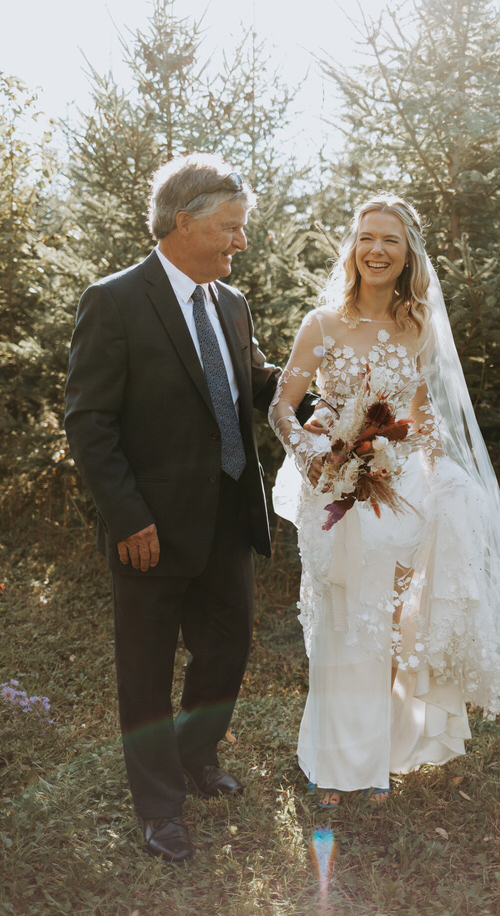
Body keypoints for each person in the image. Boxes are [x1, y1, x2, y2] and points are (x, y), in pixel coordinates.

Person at [64, 153, 318, 861]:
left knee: (227, 648)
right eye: (231, 229)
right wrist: (128, 516)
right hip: (150, 527)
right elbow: (90, 421)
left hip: (229, 520)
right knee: (144, 669)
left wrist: (337, 408)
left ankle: (195, 754)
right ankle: (158, 807)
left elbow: (257, 381)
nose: (242, 242)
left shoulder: (230, 304)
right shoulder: (113, 301)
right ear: (185, 223)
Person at [269, 193, 500, 808]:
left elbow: (421, 420)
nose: (376, 250)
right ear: (353, 247)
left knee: (384, 627)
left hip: (398, 491)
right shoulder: (321, 325)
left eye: (390, 241)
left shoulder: (421, 327)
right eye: (367, 237)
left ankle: (375, 763)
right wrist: (315, 454)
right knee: (340, 621)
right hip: (332, 489)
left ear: (407, 255)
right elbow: (281, 408)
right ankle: (333, 765)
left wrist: (431, 472)